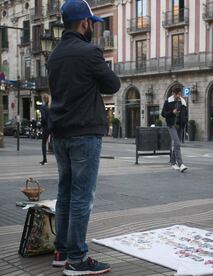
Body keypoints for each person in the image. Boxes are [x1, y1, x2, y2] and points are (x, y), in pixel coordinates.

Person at [47, 0, 120, 275]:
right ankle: (77, 260)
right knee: (81, 196)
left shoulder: (54, 55)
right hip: (84, 133)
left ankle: (61, 250)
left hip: (61, 134)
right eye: (92, 23)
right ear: (84, 23)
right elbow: (112, 84)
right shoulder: (90, 52)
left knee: (64, 193)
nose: (92, 27)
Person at [161, 87, 188, 173]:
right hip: (171, 125)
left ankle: (173, 162)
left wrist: (184, 121)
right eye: (177, 94)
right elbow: (163, 114)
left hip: (180, 126)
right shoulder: (168, 102)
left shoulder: (183, 102)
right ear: (173, 93)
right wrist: (172, 112)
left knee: (177, 144)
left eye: (180, 94)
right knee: (176, 143)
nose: (179, 96)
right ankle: (181, 164)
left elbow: (185, 113)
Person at [39, 94, 50, 165]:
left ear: (43, 99)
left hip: (46, 127)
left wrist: (42, 124)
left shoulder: (42, 107)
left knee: (43, 143)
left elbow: (43, 118)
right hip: (53, 126)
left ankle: (44, 159)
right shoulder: (50, 107)